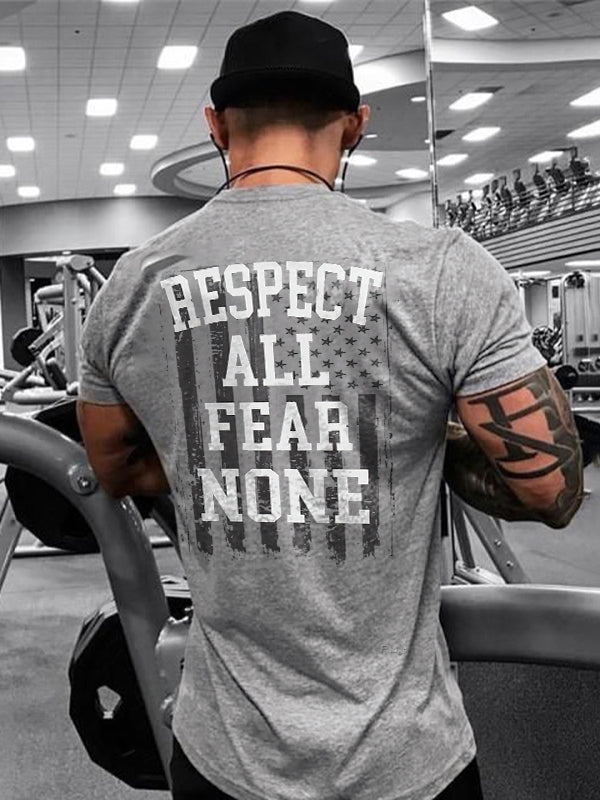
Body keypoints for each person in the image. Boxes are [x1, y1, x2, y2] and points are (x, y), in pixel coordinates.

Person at [76, 10, 584, 800]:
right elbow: (551, 489)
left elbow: (115, 469)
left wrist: (236, 456)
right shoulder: (442, 269)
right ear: (355, 126)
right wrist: (407, 445)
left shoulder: (132, 286)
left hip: (225, 760)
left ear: (216, 127)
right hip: (406, 762)